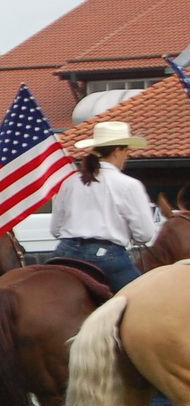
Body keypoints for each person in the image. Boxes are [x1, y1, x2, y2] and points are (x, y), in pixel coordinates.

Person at [50, 121, 157, 289]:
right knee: (144, 297)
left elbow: (55, 229)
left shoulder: (70, 182)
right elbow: (145, 234)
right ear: (117, 151)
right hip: (107, 257)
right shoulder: (128, 185)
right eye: (126, 150)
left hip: (65, 253)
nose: (127, 156)